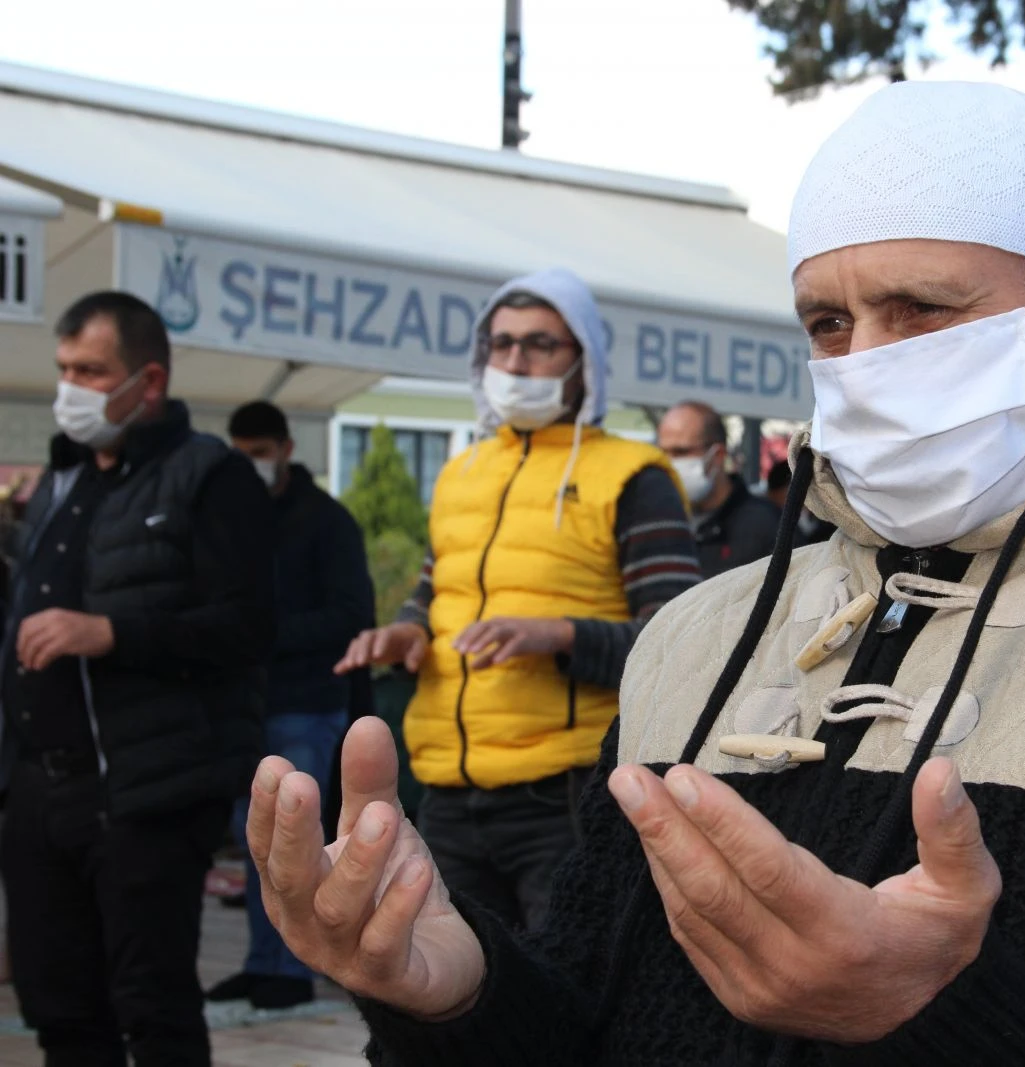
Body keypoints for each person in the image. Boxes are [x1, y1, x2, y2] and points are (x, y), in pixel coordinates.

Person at [253, 82, 1025, 1064]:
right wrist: (451, 993)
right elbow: (590, 1011)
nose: (865, 364)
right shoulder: (701, 634)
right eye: (829, 324)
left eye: (921, 310)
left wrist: (939, 1012)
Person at [332, 269, 701, 933]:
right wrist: (406, 634)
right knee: (454, 991)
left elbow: (681, 642)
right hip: (446, 789)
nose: (514, 362)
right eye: (500, 345)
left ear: (583, 359)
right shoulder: (461, 472)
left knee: (560, 995)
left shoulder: (633, 475)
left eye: (539, 344)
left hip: (562, 792)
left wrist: (558, 635)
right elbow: (432, 591)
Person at [0, 291, 271, 1066]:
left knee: (151, 1005)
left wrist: (111, 632)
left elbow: (246, 627)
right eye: (63, 369)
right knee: (57, 1005)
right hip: (40, 792)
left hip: (143, 793)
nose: (69, 388)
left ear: (147, 382)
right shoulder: (58, 484)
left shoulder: (210, 478)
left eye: (90, 370)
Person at [203, 401, 374, 1010]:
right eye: (240, 449)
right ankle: (264, 961)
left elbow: (351, 614)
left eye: (260, 450)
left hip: (306, 702)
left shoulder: (325, 521)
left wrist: (262, 634)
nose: (251, 463)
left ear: (285, 448)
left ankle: (292, 968)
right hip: (246, 708)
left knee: (295, 843)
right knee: (256, 843)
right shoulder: (233, 521)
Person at [657, 402, 781, 577]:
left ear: (718, 455)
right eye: (663, 453)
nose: (668, 463)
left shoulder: (768, 526)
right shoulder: (659, 522)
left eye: (680, 452)